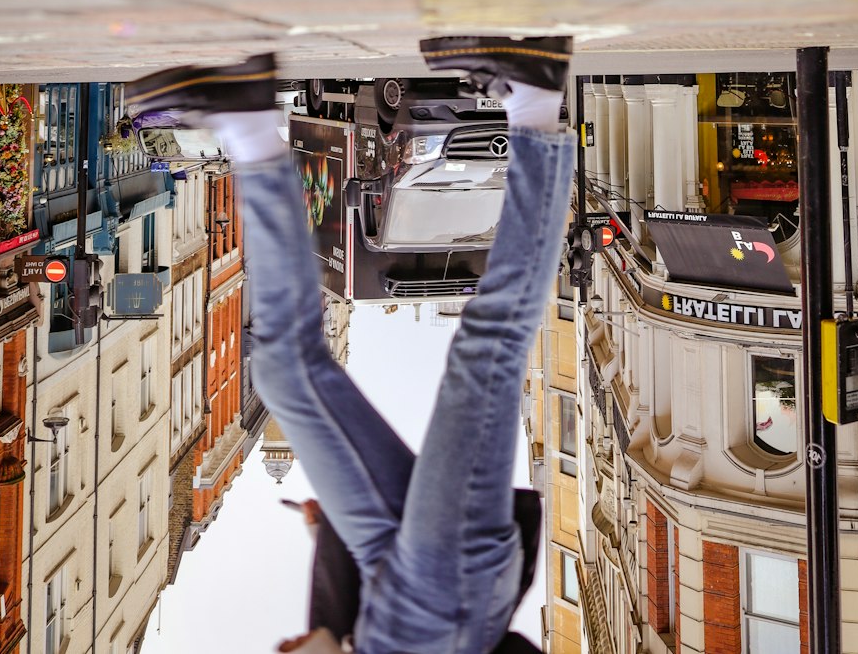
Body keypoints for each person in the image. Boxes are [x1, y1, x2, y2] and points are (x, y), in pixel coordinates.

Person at [127, 33, 575, 654]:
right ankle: (534, 101)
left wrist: (330, 559)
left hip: (388, 589)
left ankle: (248, 119)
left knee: (283, 369)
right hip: (440, 614)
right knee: (487, 351)